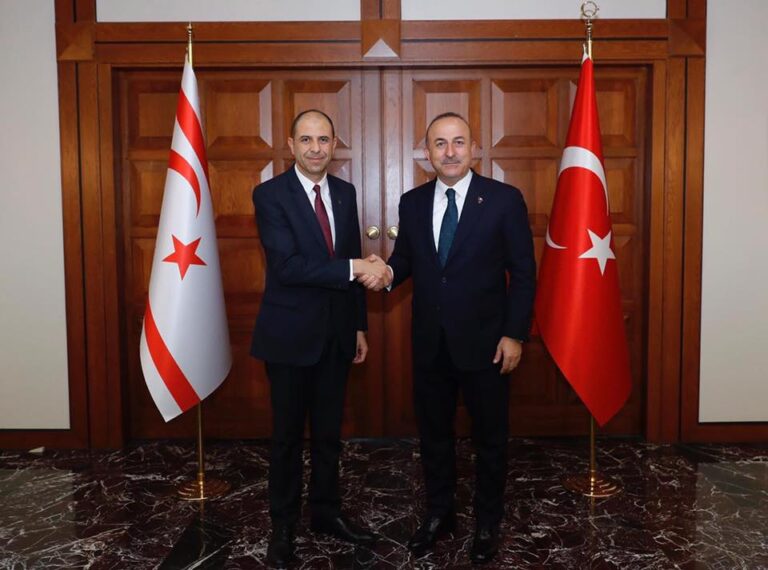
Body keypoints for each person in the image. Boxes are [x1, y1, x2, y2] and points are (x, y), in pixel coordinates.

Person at [361, 112, 536, 564]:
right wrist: (386, 273)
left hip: (488, 345)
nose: (450, 152)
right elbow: (406, 260)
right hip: (431, 343)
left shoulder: (503, 200)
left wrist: (514, 334)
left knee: (490, 439)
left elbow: (523, 273)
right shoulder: (413, 202)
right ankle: (440, 514)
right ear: (428, 152)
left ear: (474, 148)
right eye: (440, 143)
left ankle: (487, 522)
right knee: (434, 436)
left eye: (459, 142)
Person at [251, 109, 386, 568]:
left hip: (336, 336)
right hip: (289, 338)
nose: (315, 148)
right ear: (291, 145)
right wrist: (356, 267)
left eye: (323, 139)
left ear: (333, 145)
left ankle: (327, 513)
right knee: (287, 438)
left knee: (329, 435)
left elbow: (349, 259)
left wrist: (358, 325)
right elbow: (287, 267)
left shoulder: (345, 194)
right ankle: (283, 526)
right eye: (306, 139)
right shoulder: (270, 195)